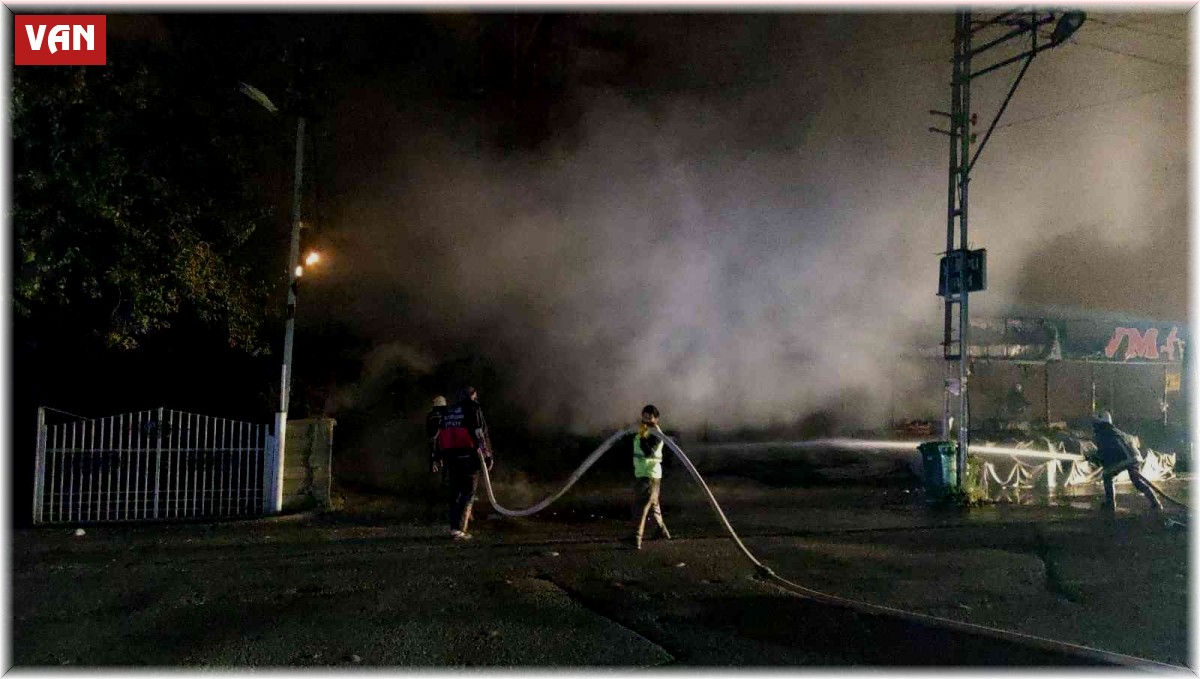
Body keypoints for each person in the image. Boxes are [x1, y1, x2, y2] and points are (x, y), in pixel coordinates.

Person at [434, 386, 493, 540]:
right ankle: (460, 529)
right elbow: (480, 433)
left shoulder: (448, 412)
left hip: (450, 458)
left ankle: (455, 527)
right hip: (468, 457)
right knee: (468, 493)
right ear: (472, 396)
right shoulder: (473, 409)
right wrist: (488, 456)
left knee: (455, 493)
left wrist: (438, 456)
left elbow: (439, 436)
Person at [1088, 411, 1163, 513]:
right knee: (1136, 480)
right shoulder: (1116, 431)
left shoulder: (1103, 433)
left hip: (1123, 458)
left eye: (1095, 423)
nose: (1094, 426)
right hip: (1135, 457)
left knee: (1107, 476)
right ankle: (1155, 502)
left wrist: (1093, 458)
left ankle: (1110, 504)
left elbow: (1103, 453)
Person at [631, 404, 671, 550]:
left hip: (649, 475)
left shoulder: (656, 434)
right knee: (654, 505)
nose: (646, 420)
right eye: (644, 416)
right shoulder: (645, 430)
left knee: (641, 504)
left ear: (656, 419)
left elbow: (647, 451)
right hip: (644, 473)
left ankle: (636, 537)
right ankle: (662, 530)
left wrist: (641, 431)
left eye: (650, 417)